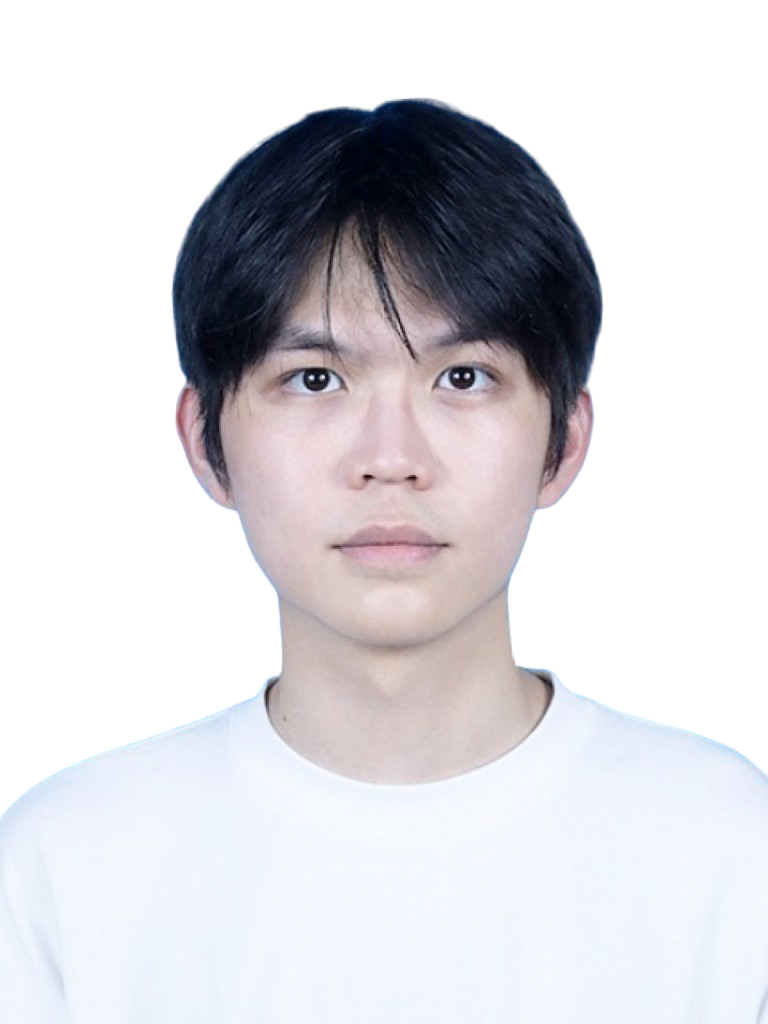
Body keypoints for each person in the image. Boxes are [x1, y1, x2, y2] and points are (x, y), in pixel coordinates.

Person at [1, 99, 766, 1023]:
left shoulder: (731, 854)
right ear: (206, 443)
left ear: (564, 441)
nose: (391, 457)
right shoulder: (65, 871)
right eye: (315, 379)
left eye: (463, 378)